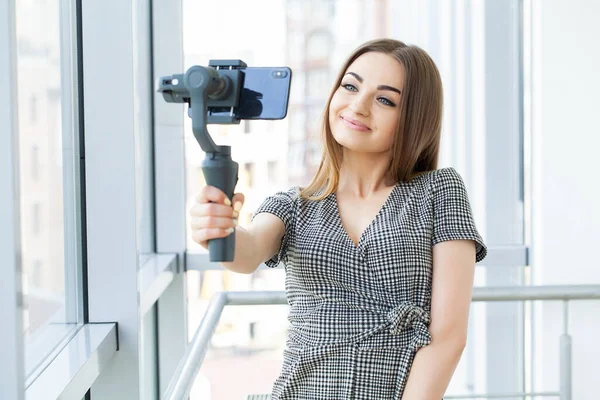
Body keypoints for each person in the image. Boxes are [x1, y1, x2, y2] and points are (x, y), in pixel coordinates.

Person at [189, 38, 487, 399]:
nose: (357, 106)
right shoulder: (294, 204)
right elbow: (247, 251)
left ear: (414, 118)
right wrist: (217, 225)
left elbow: (448, 338)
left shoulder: (439, 191)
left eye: (384, 99)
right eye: (350, 86)